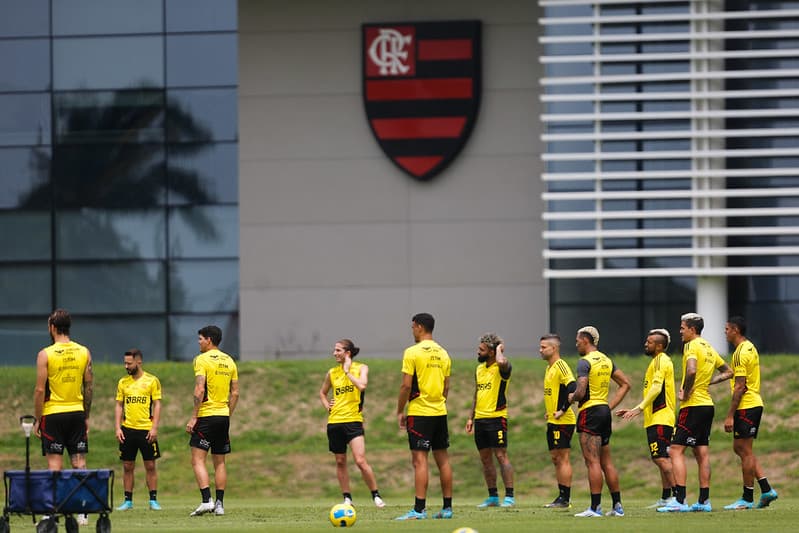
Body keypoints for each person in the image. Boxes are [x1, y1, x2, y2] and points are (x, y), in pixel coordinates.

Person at [657, 312, 732, 513]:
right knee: (701, 452)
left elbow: (691, 370)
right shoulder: (708, 347)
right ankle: (704, 501)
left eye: (682, 328)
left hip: (693, 405)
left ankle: (680, 500)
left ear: (692, 329)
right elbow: (728, 371)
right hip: (707, 405)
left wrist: (687, 391)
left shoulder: (691, 346)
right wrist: (708, 382)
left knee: (675, 450)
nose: (680, 331)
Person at [33, 308, 93, 526]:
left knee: (55, 464)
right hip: (76, 412)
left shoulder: (45, 354)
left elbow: (40, 391)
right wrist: (85, 415)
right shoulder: (84, 351)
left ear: (52, 327)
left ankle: (52, 511)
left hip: (53, 415)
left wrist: (38, 420)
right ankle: (83, 510)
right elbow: (88, 386)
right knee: (79, 462)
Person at [395, 313, 454, 521]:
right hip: (440, 412)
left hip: (420, 413)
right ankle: (447, 509)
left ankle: (419, 510)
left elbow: (405, 386)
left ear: (419, 327)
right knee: (443, 460)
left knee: (420, 461)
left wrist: (400, 410)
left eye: (412, 327)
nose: (411, 330)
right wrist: (439, 403)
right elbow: (446, 387)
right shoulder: (444, 353)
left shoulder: (412, 352)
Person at [569, 326, 631, 518]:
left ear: (586, 341)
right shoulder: (606, 360)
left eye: (578, 340)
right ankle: (617, 506)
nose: (576, 343)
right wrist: (608, 406)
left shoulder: (584, 362)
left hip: (590, 412)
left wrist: (570, 397)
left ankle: (595, 508)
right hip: (603, 411)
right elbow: (626, 384)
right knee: (607, 462)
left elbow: (580, 391)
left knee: (592, 461)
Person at [318, 339, 386, 508]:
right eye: (334, 350)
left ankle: (376, 495)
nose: (334, 353)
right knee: (340, 461)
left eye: (338, 350)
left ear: (347, 353)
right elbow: (322, 392)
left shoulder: (361, 368)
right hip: (335, 422)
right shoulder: (332, 373)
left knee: (360, 461)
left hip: (354, 421)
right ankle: (347, 498)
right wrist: (328, 406)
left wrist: (348, 372)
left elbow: (362, 386)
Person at [616, 329, 677, 508]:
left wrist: (638, 408)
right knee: (660, 458)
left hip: (662, 417)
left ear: (659, 346)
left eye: (649, 342)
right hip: (654, 418)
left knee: (662, 458)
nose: (645, 344)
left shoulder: (661, 360)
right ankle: (667, 497)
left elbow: (657, 388)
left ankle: (678, 497)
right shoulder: (655, 362)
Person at [722, 316, 778, 510]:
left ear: (735, 330)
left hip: (747, 405)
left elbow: (739, 387)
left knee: (744, 451)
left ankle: (747, 498)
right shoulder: (750, 347)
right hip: (752, 404)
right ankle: (766, 489)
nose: (725, 332)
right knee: (741, 449)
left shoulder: (739, 353)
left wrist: (730, 415)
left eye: (727, 329)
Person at [186, 325, 239, 517]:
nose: (198, 342)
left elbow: (200, 389)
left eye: (200, 339)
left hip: (207, 415)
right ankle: (219, 505)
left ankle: (206, 500)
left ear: (209, 340)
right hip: (223, 416)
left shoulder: (201, 360)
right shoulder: (230, 361)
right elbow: (235, 393)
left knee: (197, 460)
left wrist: (194, 416)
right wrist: (227, 414)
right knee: (220, 462)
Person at [465, 333, 514, 508]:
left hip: (497, 419)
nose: (478, 352)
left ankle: (509, 497)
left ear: (492, 352)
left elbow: (502, 362)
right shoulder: (479, 369)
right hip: (481, 419)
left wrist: (500, 348)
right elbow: (477, 394)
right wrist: (471, 417)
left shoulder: (502, 368)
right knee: (485, 459)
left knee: (501, 455)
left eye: (482, 350)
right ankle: (493, 497)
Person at [114, 349, 163, 511]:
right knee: (128, 466)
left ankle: (153, 500)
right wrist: (117, 427)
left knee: (150, 465)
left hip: (146, 430)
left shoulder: (152, 380)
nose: (126, 366)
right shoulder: (123, 382)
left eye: (129, 363)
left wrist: (154, 427)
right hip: (128, 430)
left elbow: (157, 404)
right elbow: (119, 405)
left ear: (139, 362)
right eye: (125, 363)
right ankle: (128, 501)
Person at [539, 333, 576, 509]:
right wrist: (551, 412)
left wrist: (562, 410)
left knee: (563, 458)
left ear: (554, 348)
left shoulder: (561, 366)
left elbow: (573, 388)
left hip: (564, 421)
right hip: (553, 421)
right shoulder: (549, 368)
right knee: (556, 458)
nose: (540, 350)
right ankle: (561, 496)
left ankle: (565, 499)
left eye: (543, 347)